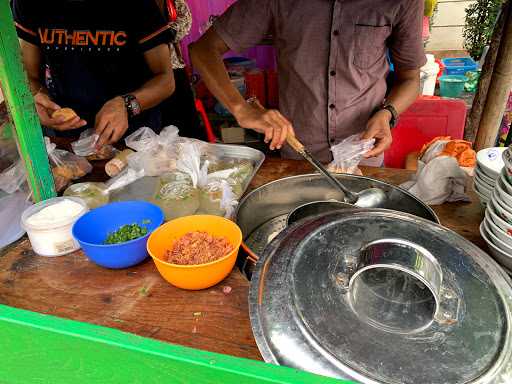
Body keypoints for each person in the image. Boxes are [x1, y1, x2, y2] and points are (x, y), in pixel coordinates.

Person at [190, 0, 426, 163]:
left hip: (364, 153)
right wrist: (240, 109)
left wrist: (388, 113)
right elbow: (203, 50)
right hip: (299, 155)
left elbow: (410, 78)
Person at [12, 0, 176, 147]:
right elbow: (27, 74)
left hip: (134, 139)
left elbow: (165, 80)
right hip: (66, 138)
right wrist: (35, 97)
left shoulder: (137, 4)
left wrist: (125, 106)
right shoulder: (29, 4)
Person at [156, 0, 206, 141]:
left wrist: (158, 35)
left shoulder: (172, 1)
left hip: (173, 66)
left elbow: (185, 20)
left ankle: (191, 158)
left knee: (185, 122)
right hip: (143, 73)